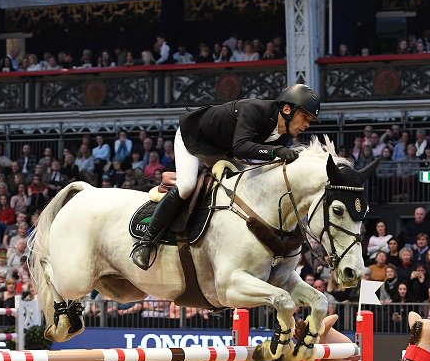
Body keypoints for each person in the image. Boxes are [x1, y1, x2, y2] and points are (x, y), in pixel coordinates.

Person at [130, 84, 319, 269]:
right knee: (187, 185)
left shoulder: (282, 135)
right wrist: (276, 151)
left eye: (310, 121)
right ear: (287, 109)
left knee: (248, 186)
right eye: (305, 117)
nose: (307, 124)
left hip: (222, 151)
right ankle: (145, 243)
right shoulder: (255, 110)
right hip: (194, 139)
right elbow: (241, 147)